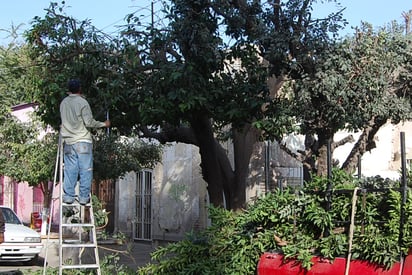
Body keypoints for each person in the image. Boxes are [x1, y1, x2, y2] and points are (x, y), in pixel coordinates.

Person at [60, 79, 110, 205]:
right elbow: (89, 122)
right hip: (82, 140)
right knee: (85, 169)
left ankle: (69, 196)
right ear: (79, 89)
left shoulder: (63, 103)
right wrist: (104, 124)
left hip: (68, 141)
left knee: (70, 169)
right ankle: (83, 197)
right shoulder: (83, 102)